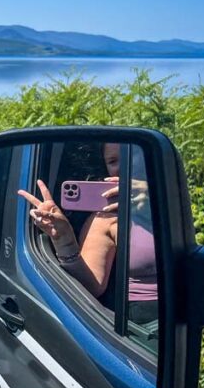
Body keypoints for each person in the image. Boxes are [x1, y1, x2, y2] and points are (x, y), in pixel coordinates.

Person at [17, 143, 159, 349]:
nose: (122, 167)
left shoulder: (167, 205)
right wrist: (63, 239)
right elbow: (91, 286)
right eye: (113, 161)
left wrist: (152, 203)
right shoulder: (104, 220)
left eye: (130, 157)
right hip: (143, 328)